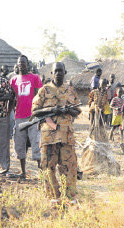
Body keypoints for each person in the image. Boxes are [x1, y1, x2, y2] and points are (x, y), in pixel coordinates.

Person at [31, 62, 81, 205]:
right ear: (52, 73)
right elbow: (35, 112)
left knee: (70, 166)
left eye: (61, 71)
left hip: (66, 135)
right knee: (48, 166)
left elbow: (77, 111)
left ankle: (70, 197)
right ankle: (54, 196)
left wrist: (67, 110)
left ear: (65, 72)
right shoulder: (44, 90)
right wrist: (53, 110)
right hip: (49, 135)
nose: (58, 73)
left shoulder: (71, 90)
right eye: (56, 71)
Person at [10, 55, 43, 178]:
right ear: (17, 64)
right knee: (20, 143)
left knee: (36, 143)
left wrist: (39, 114)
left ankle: (41, 173)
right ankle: (23, 172)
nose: (21, 65)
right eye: (19, 63)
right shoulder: (13, 80)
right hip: (19, 116)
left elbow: (39, 96)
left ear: (27, 64)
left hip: (33, 116)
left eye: (23, 63)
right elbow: (12, 97)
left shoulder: (34, 78)